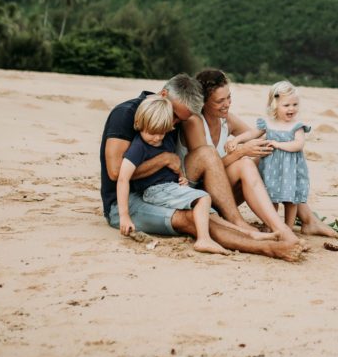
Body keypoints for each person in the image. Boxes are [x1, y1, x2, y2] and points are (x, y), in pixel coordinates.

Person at [99, 74, 304, 261]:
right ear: (163, 95)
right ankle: (268, 248)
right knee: (192, 219)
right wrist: (164, 160)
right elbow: (116, 172)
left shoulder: (174, 115)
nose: (174, 124)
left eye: (181, 119)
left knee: (208, 154)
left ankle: (241, 224)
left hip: (166, 187)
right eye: (176, 117)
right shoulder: (126, 114)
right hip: (127, 201)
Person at [185, 69, 338, 240]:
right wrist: (242, 151)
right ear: (204, 102)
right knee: (245, 161)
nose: (227, 104)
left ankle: (307, 218)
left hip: (226, 194)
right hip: (202, 195)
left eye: (229, 97)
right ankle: (281, 228)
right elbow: (207, 169)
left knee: (268, 153)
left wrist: (283, 136)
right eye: (220, 101)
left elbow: (264, 137)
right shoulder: (195, 122)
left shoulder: (226, 119)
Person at [116, 95, 229, 255]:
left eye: (162, 133)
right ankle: (203, 240)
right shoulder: (138, 147)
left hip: (170, 186)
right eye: (152, 133)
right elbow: (122, 178)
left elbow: (174, 163)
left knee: (210, 212)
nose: (157, 138)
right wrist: (124, 215)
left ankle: (245, 233)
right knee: (203, 198)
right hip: (154, 191)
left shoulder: (165, 139)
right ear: (138, 124)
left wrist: (181, 175)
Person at [256, 81, 314, 231]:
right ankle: (270, 224)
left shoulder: (296, 126)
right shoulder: (268, 124)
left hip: (290, 171)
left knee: (290, 201)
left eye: (295, 104)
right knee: (270, 197)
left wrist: (277, 144)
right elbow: (254, 134)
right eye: (286, 105)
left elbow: (298, 145)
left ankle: (288, 226)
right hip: (271, 169)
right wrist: (238, 140)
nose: (292, 109)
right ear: (275, 105)